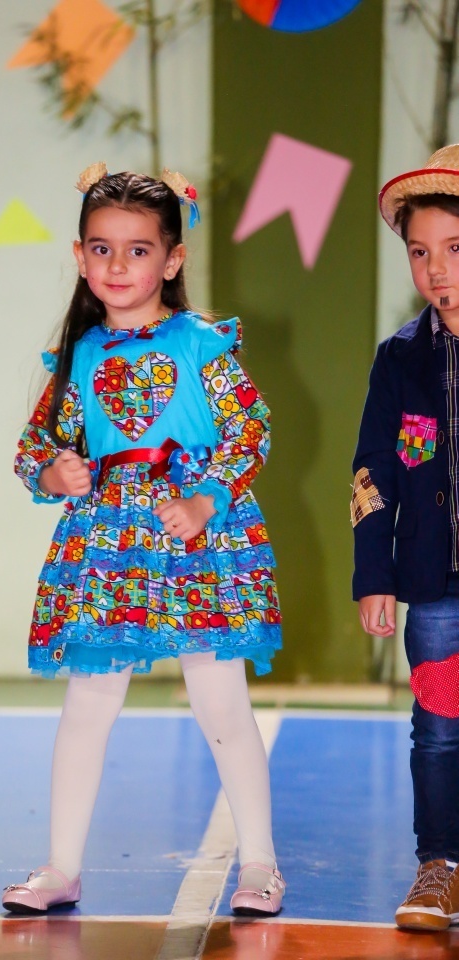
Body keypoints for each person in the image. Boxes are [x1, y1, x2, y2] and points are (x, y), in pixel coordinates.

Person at [2, 163, 284, 918]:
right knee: (89, 702)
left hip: (197, 543)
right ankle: (61, 867)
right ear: (79, 256)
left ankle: (259, 863)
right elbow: (34, 449)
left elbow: (250, 431)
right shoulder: (78, 357)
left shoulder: (201, 344)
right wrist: (52, 473)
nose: (117, 265)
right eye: (101, 249)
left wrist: (205, 499)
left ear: (172, 259)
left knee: (220, 703)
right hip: (108, 547)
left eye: (137, 250)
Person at [352, 143, 459, 932]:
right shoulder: (399, 358)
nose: (436, 268)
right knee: (438, 730)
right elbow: (372, 472)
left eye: (453, 248)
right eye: (419, 252)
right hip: (431, 580)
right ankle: (437, 867)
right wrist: (374, 574)